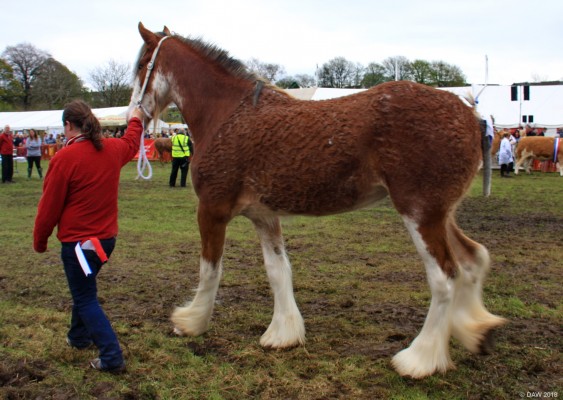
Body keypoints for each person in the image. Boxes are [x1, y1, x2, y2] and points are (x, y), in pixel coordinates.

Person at [33, 100, 145, 374]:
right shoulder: (112, 149)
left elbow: (49, 207)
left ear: (68, 126)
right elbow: (131, 141)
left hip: (79, 245)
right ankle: (78, 337)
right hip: (105, 241)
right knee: (83, 290)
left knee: (85, 298)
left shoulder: (64, 159)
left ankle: (111, 356)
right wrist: (137, 119)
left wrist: (40, 240)